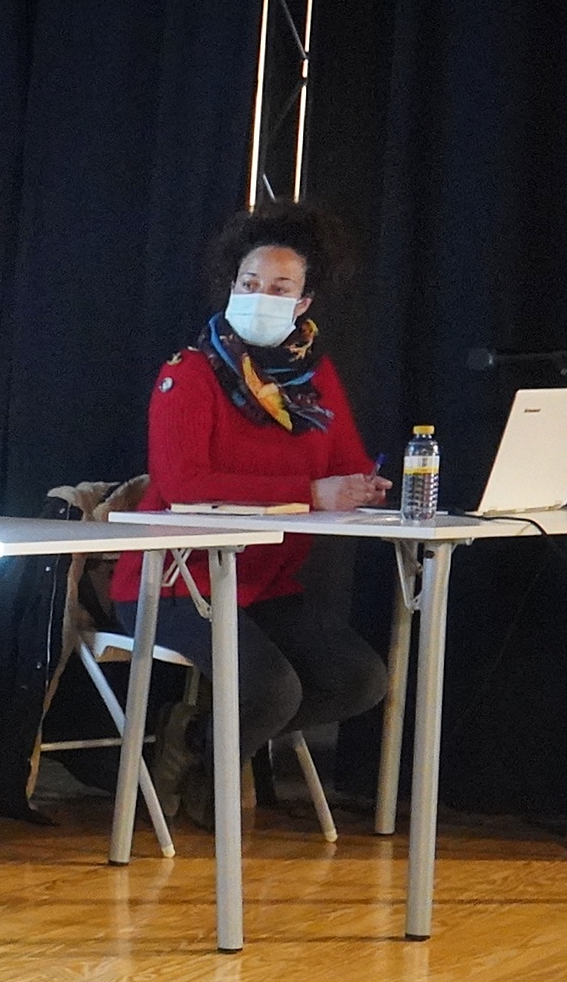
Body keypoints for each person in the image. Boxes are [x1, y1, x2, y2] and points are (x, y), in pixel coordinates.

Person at [123, 201, 390, 817]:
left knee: (360, 679)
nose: (259, 297)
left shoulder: (316, 379)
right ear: (230, 286)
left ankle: (197, 742)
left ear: (304, 302)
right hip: (177, 582)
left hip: (264, 581)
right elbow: (182, 482)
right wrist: (311, 491)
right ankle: (211, 788)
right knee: (271, 688)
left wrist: (364, 488)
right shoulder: (189, 373)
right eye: (249, 283)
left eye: (279, 287)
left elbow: (347, 464)